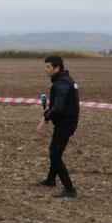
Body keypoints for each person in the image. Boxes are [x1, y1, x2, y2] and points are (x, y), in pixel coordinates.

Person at [36, 55, 80, 198]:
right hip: (67, 121)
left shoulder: (61, 84)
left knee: (55, 153)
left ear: (57, 68)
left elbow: (59, 107)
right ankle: (50, 180)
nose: (46, 70)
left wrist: (46, 117)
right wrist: (50, 110)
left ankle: (70, 190)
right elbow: (60, 105)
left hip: (65, 124)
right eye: (45, 66)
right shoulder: (66, 80)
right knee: (56, 151)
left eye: (48, 67)